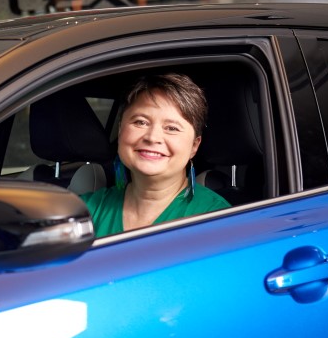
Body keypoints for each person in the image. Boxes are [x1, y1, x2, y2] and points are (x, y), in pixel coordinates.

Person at [81, 73, 230, 238]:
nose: (152, 137)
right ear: (121, 130)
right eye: (141, 122)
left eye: (172, 128)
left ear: (194, 146)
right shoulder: (84, 211)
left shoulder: (218, 219)